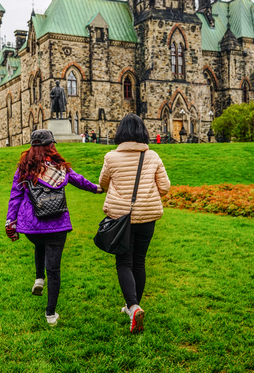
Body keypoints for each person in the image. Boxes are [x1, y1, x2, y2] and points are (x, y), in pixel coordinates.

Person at [6, 129, 102, 325]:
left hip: (31, 225)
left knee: (39, 244)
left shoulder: (24, 168)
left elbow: (15, 196)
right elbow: (79, 181)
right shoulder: (60, 167)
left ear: (32, 145)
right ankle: (50, 314)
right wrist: (97, 188)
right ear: (51, 145)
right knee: (55, 269)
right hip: (57, 223)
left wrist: (11, 221)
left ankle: (39, 278)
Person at [98, 114, 170, 334]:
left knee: (124, 262)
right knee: (139, 261)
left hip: (121, 218)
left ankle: (133, 306)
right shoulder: (153, 156)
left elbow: (103, 183)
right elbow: (165, 187)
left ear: (121, 132)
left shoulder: (111, 157)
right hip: (147, 217)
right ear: (143, 132)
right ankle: (133, 306)